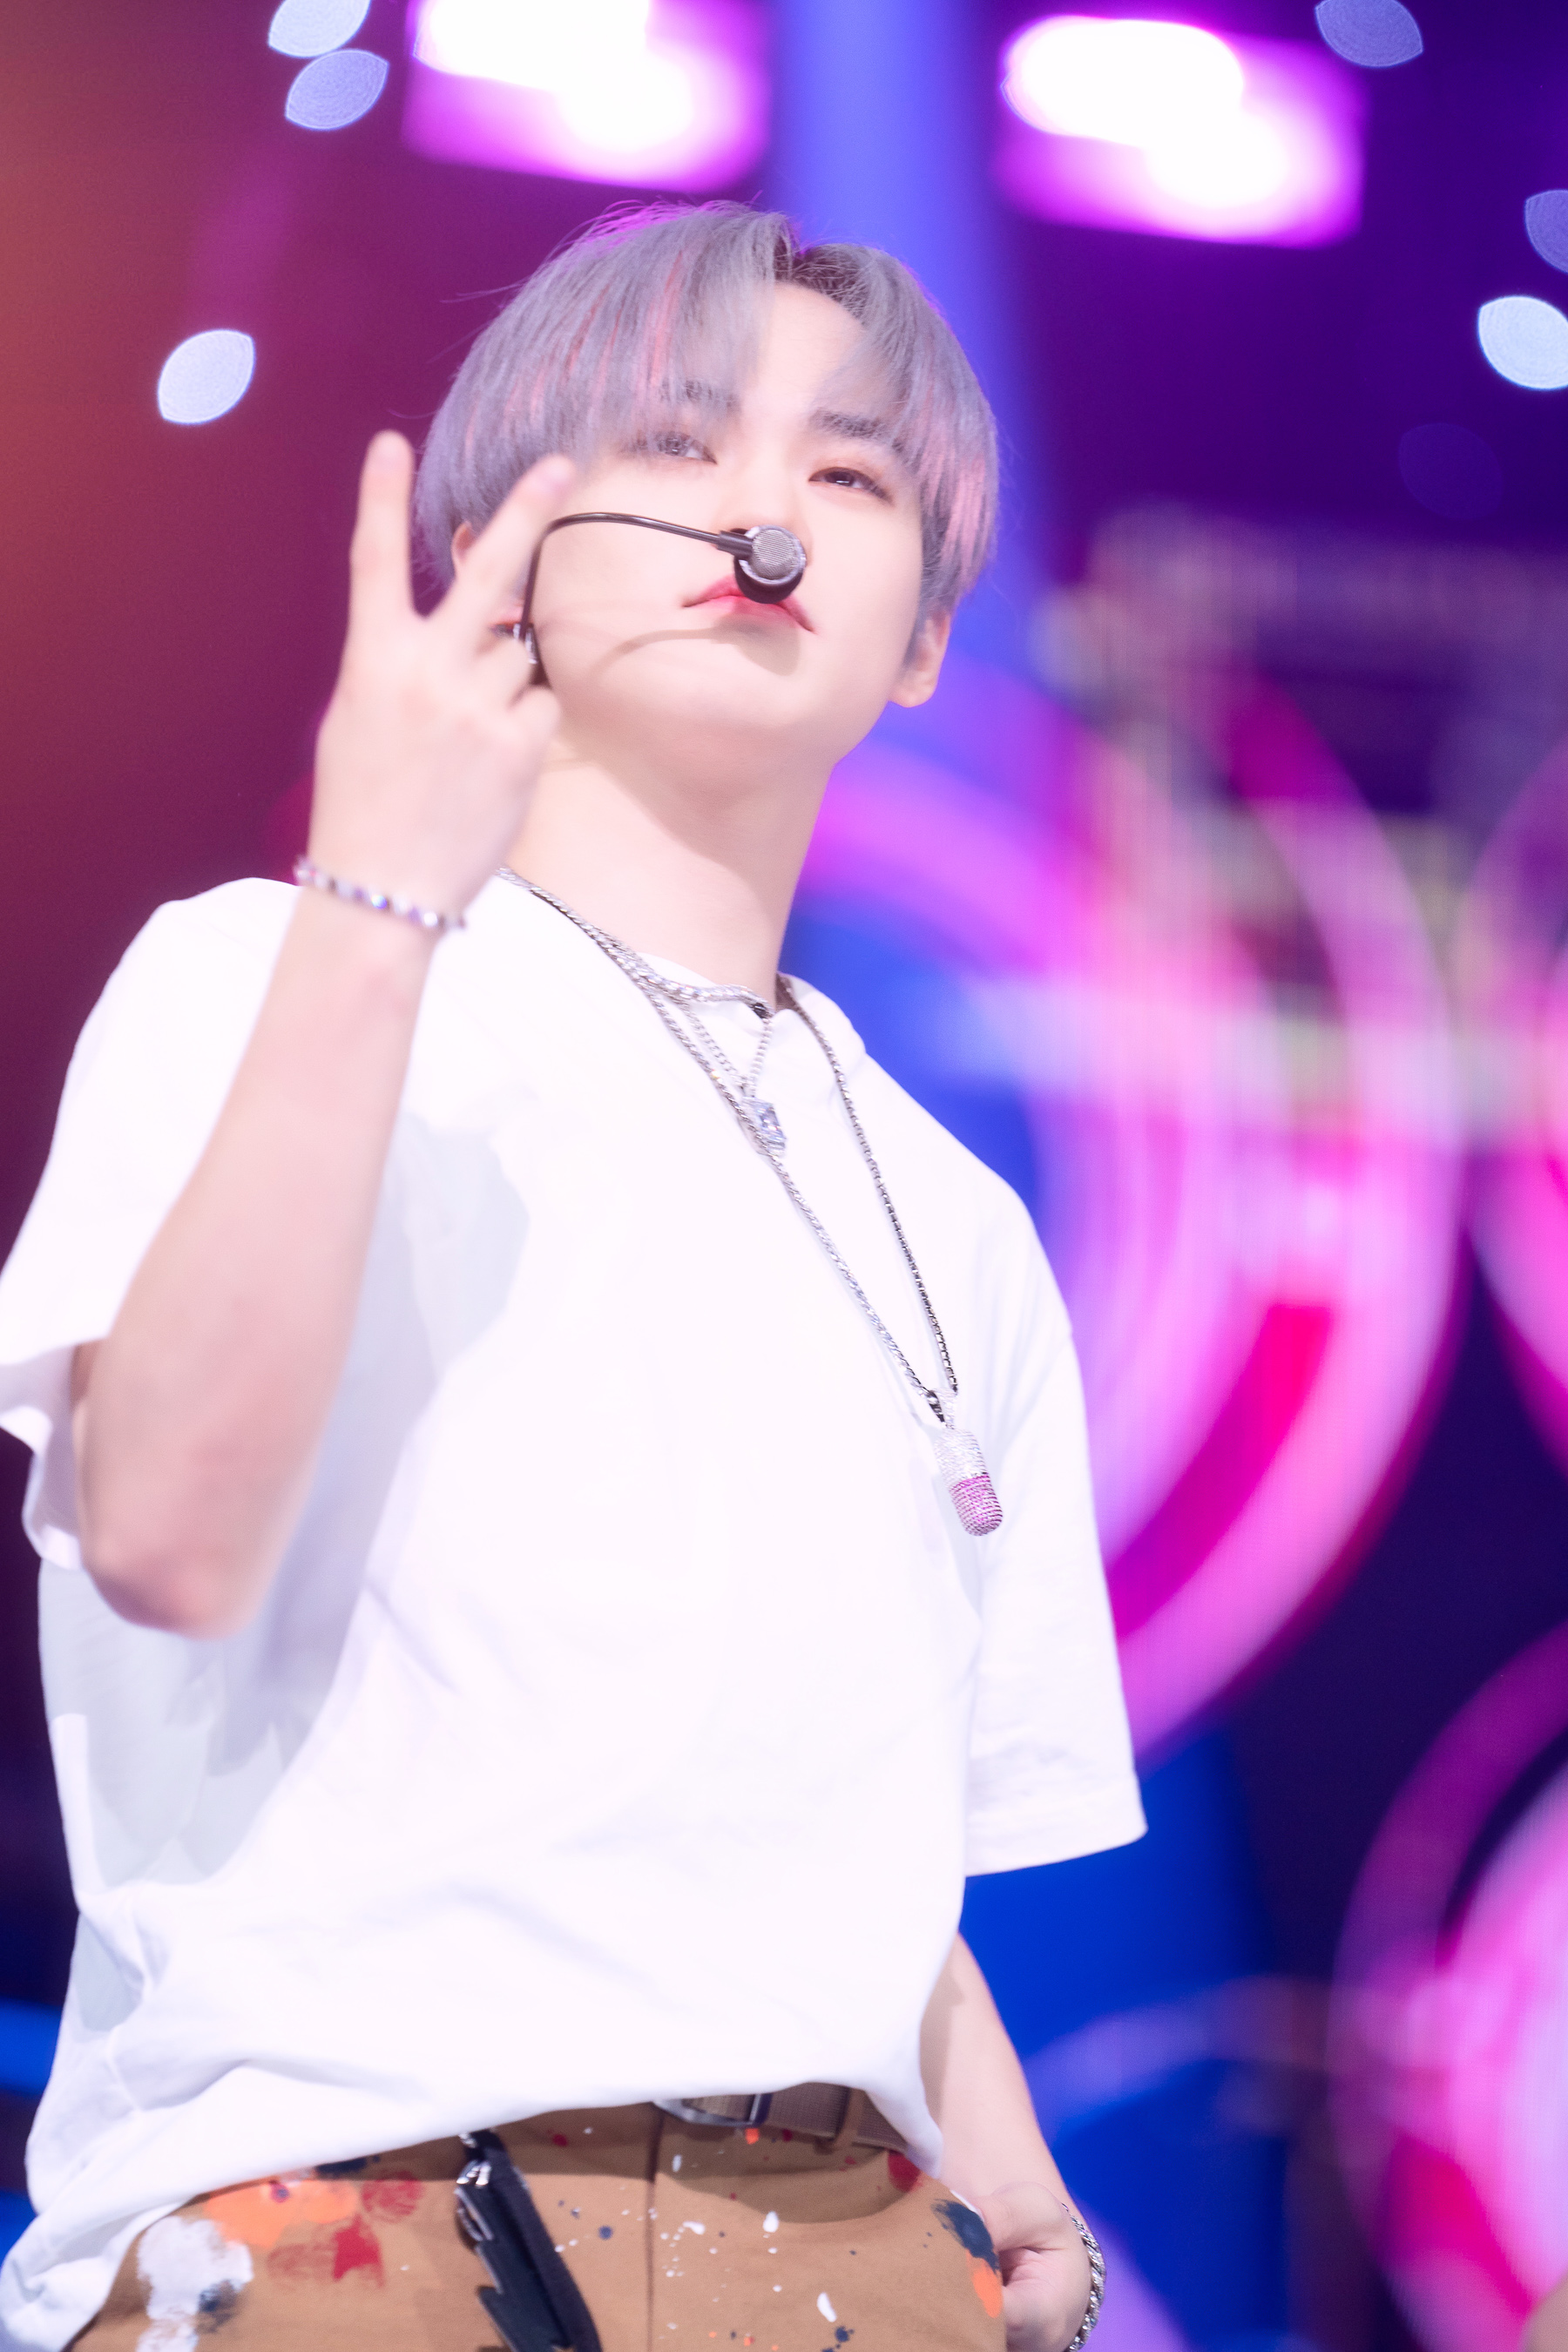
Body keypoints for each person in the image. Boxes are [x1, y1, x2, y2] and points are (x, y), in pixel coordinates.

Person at [0, 202, 1143, 2352]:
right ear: (503, 545)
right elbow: (160, 1530)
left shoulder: (959, 1223)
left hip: (845, 2253)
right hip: (351, 2231)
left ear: (920, 635)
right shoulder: (262, 973)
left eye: (848, 472)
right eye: (682, 440)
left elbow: (860, 1857)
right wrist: (381, 888)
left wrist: (1028, 2219)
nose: (759, 511)